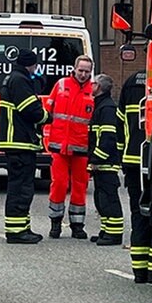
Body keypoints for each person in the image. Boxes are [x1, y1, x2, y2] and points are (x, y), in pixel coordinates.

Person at [43, 53, 96, 239]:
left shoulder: (94, 90)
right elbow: (47, 112)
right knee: (59, 184)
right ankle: (55, 223)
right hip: (59, 145)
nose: (83, 74)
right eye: (80, 70)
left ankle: (77, 225)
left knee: (80, 187)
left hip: (82, 147)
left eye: (86, 71)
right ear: (74, 69)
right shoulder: (61, 84)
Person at [0, 48, 46, 244]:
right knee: (21, 188)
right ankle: (16, 231)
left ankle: (22, 227)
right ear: (31, 64)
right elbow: (31, 110)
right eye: (35, 65)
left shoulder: (15, 78)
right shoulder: (20, 80)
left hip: (18, 143)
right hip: (20, 142)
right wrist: (46, 117)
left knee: (22, 187)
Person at [120, 71, 152, 283]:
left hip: (132, 158)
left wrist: (121, 158)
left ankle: (139, 271)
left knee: (139, 215)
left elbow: (120, 124)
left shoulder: (130, 82)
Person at [88, 73, 125, 246]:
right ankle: (106, 230)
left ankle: (114, 234)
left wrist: (97, 159)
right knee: (101, 198)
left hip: (107, 163)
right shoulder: (101, 106)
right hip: (101, 163)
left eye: (93, 83)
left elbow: (108, 137)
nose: (90, 86)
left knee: (109, 198)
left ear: (99, 87)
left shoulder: (107, 108)